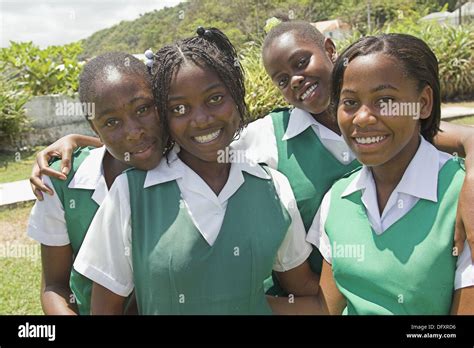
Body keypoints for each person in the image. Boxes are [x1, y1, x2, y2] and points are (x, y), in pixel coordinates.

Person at [73, 27, 318, 315]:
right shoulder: (131, 194)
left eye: (215, 99)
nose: (201, 120)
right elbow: (106, 310)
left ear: (236, 95)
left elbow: (303, 289)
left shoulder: (274, 187)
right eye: (179, 108)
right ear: (164, 115)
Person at [231, 20, 474, 295]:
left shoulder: (388, 126)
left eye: (301, 62)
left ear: (330, 49)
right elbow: (207, 154)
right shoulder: (267, 137)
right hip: (317, 296)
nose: (295, 79)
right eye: (282, 80)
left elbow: (453, 135)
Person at [307, 33, 474, 314]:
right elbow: (329, 309)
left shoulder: (462, 198)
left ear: (423, 103)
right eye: (349, 102)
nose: (362, 117)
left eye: (384, 100)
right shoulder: (337, 199)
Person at [27, 52, 165, 314]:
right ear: (94, 126)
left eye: (143, 109)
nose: (134, 132)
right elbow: (55, 286)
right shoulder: (61, 182)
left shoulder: (189, 167)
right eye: (111, 122)